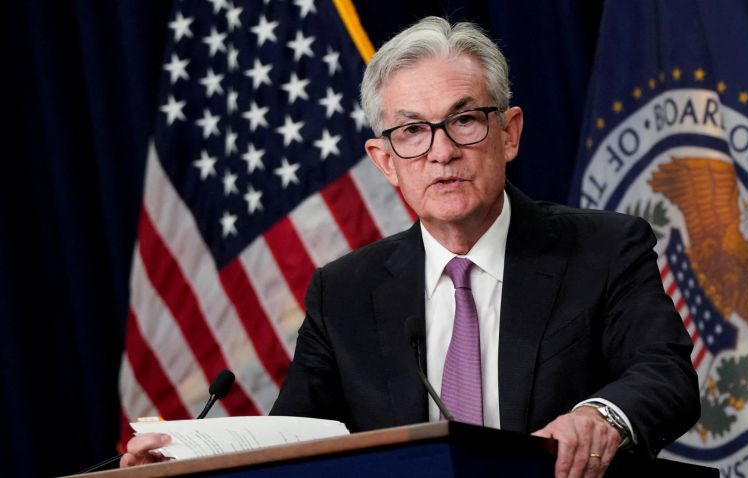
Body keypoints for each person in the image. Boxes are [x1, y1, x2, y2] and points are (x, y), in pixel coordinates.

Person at [123, 16, 700, 478]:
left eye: (465, 120)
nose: (441, 151)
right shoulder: (344, 291)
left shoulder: (602, 248)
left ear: (510, 132)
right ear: (385, 161)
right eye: (411, 131)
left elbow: (666, 374)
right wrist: (187, 462)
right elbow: (294, 441)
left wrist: (599, 418)